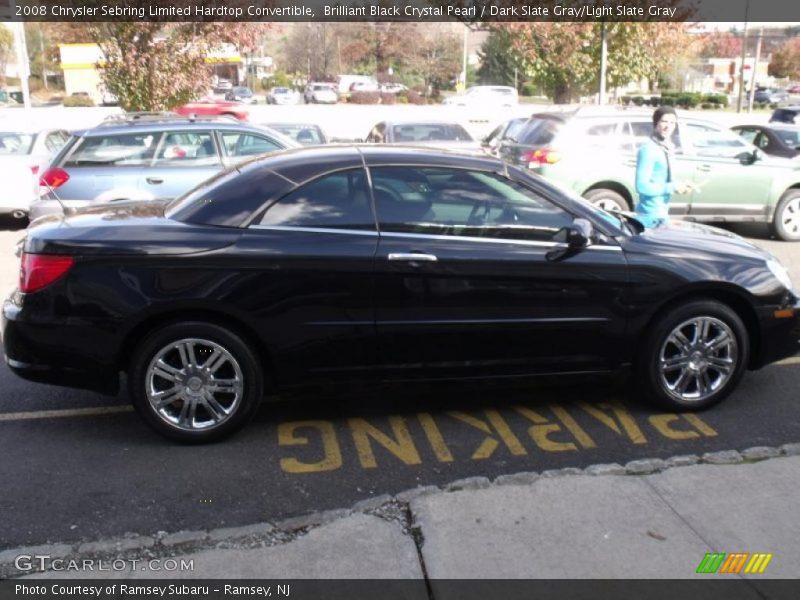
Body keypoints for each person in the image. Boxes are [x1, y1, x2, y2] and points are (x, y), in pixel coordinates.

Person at [635, 106, 694, 228]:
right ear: (656, 123)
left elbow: (663, 179)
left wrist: (681, 185)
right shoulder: (648, 149)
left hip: (662, 213)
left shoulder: (666, 148)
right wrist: (672, 187)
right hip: (649, 216)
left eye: (672, 123)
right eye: (664, 121)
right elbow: (641, 186)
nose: (668, 126)